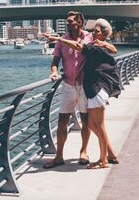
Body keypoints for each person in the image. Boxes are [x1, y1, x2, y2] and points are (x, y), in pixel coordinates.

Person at [43, 11, 115, 169]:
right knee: (62, 121)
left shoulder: (89, 37)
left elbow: (110, 48)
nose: (68, 25)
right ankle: (59, 156)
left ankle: (84, 152)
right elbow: (55, 60)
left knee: (86, 122)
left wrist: (107, 45)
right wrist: (54, 72)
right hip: (68, 84)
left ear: (80, 23)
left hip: (85, 86)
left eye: (71, 22)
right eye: (67, 22)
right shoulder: (62, 40)